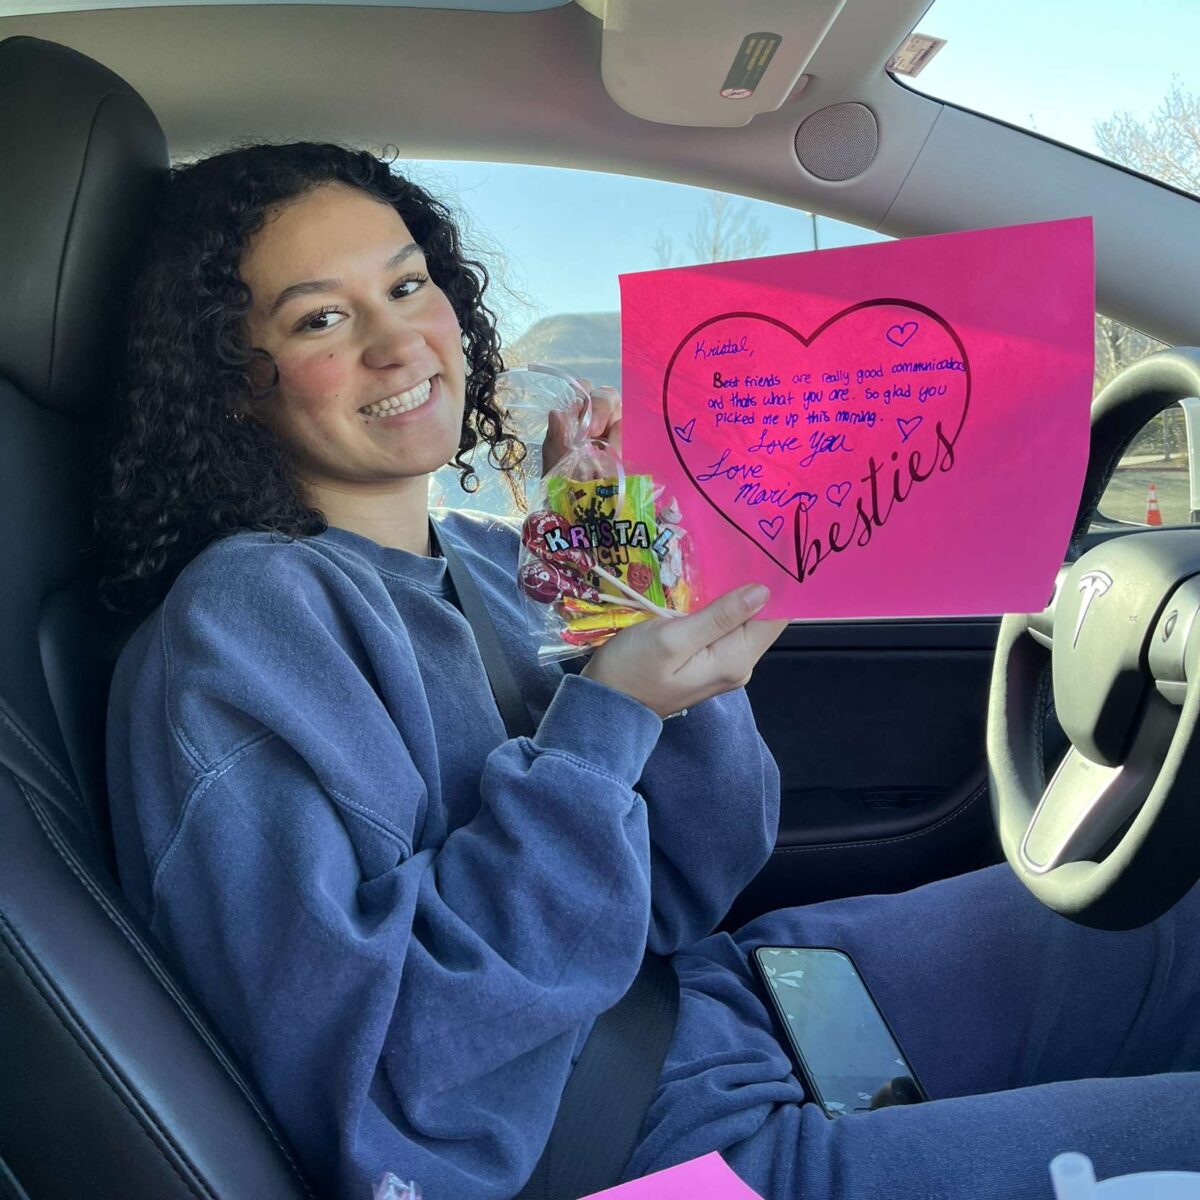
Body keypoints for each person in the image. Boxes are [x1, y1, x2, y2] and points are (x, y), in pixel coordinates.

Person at [96, 141, 1200, 1200]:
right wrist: (606, 715)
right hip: (611, 1154)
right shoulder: (244, 622)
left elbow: (692, 879)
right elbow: (401, 1085)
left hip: (713, 999)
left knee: (1176, 910)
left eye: (407, 284)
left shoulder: (496, 553)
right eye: (322, 318)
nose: (399, 343)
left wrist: (609, 565)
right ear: (232, 379)